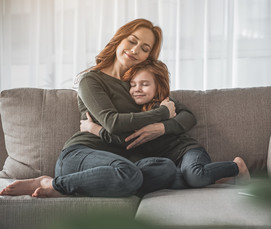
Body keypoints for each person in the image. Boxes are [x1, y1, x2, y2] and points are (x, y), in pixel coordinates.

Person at [0, 19, 195, 198]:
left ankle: (93, 186)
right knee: (129, 174)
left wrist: (162, 127)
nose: (135, 50)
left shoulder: (140, 84)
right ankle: (51, 183)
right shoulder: (92, 80)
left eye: (144, 48)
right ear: (119, 39)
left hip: (120, 162)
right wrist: (162, 114)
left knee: (166, 168)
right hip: (82, 154)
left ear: (148, 56)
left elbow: (187, 115)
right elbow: (113, 123)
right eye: (132, 41)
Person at [80, 59, 251, 189]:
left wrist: (163, 126)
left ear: (157, 87)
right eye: (132, 85)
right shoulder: (128, 113)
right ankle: (218, 178)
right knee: (172, 179)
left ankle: (236, 167)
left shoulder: (163, 103)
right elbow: (123, 136)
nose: (137, 89)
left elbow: (189, 117)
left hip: (186, 151)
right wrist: (93, 127)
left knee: (195, 176)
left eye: (144, 84)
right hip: (168, 163)